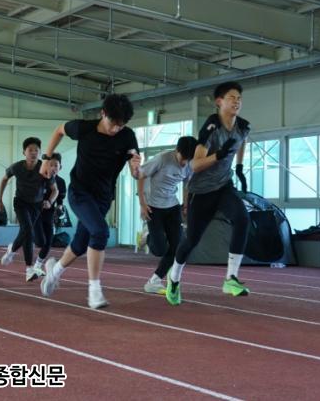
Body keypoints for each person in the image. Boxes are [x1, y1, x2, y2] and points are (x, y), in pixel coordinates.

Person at [40, 94, 141, 309]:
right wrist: (46, 159)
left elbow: (135, 170)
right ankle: (94, 291)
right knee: (101, 232)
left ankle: (54, 271)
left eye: (121, 125)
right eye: (113, 123)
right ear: (103, 114)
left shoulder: (127, 136)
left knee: (79, 244)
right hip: (80, 193)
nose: (116, 129)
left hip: (103, 197)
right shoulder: (83, 128)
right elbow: (58, 130)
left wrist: (136, 169)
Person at [166, 82, 251, 306]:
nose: (237, 101)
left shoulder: (243, 126)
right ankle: (174, 278)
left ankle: (231, 278)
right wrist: (219, 155)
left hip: (224, 186)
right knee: (192, 240)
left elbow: (242, 142)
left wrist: (239, 167)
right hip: (202, 191)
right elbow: (194, 165)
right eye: (231, 97)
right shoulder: (211, 127)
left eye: (239, 98)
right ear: (219, 102)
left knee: (243, 219)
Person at [136, 137, 197, 294]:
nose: (184, 163)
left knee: (177, 248)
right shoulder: (162, 159)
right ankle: (147, 236)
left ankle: (154, 281)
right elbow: (141, 174)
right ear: (177, 150)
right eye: (183, 158)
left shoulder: (190, 164)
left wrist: (185, 205)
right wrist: (142, 204)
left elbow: (187, 183)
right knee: (160, 250)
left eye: (188, 159)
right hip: (153, 207)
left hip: (172, 207)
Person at [0, 137, 58, 282]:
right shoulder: (17, 167)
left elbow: (55, 190)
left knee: (28, 233)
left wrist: (50, 201)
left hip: (36, 205)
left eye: (36, 150)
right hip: (21, 203)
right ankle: (29, 269)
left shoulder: (44, 168)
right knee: (28, 230)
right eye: (30, 150)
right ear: (24, 152)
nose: (33, 153)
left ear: (40, 153)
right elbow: (4, 179)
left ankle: (12, 251)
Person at [33, 153, 67, 275]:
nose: (53, 168)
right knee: (39, 241)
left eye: (56, 165)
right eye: (50, 165)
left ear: (60, 167)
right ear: (46, 165)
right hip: (35, 212)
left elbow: (60, 200)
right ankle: (14, 247)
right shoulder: (39, 178)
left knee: (48, 241)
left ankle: (37, 265)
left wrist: (60, 208)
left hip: (49, 213)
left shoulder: (61, 182)